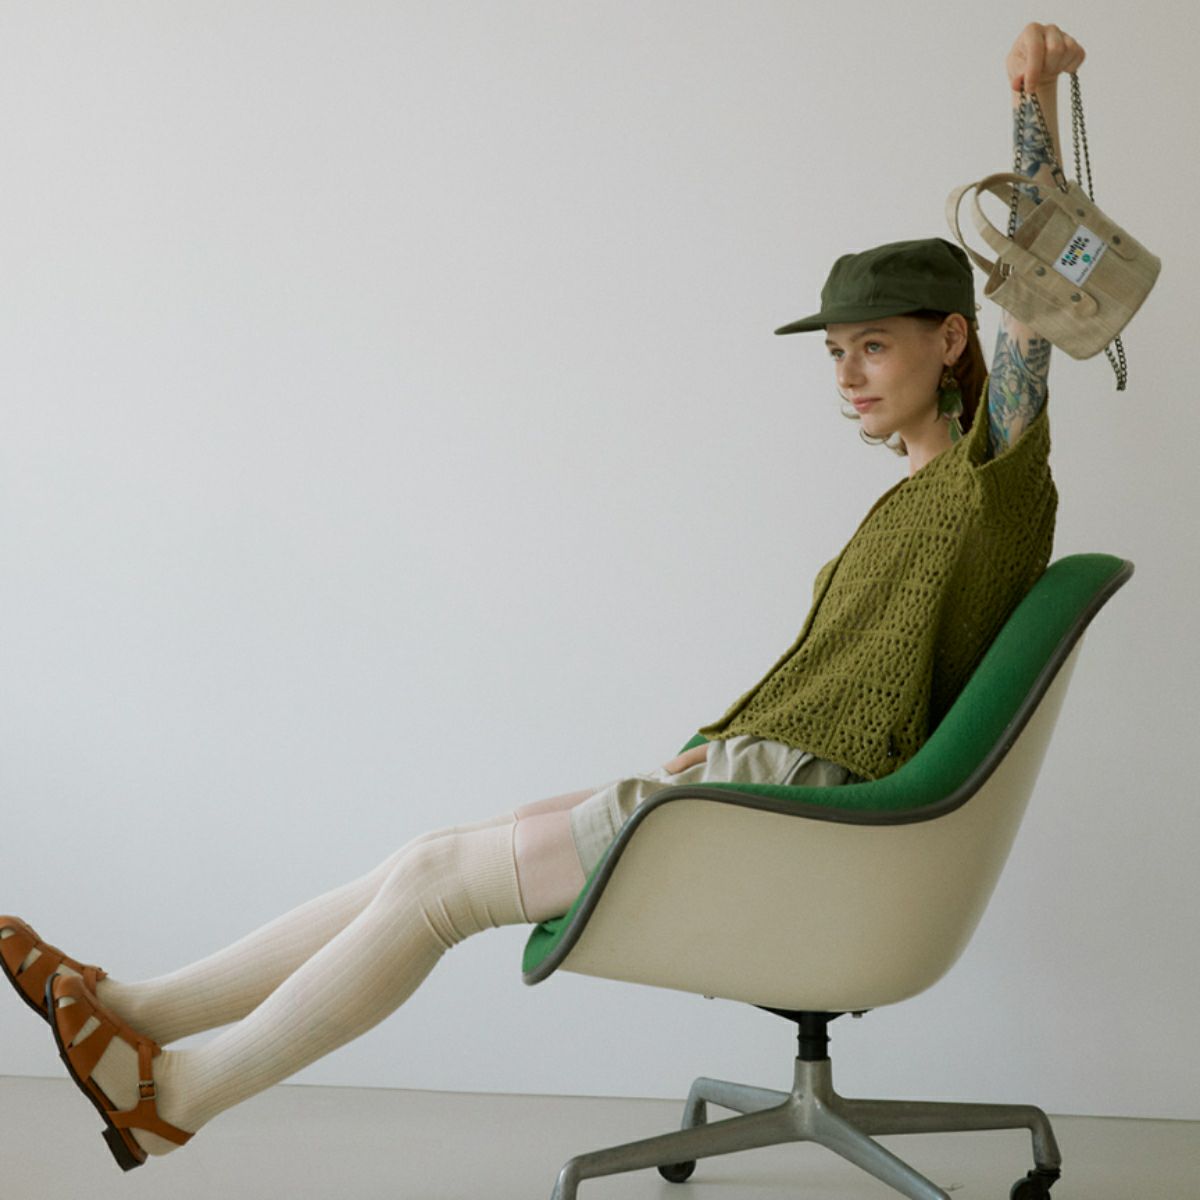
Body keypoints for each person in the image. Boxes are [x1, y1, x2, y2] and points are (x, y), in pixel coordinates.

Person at [1, 21, 1084, 1173]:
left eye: (873, 347)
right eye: (834, 353)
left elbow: (1038, 290)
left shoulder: (992, 486)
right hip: (754, 780)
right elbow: (836, 681)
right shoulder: (907, 499)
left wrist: (1034, 102)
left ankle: (178, 1095)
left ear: (951, 341)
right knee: (429, 851)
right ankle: (135, 1008)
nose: (848, 374)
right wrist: (710, 751)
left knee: (438, 889)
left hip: (798, 811)